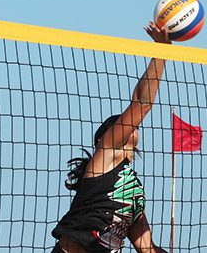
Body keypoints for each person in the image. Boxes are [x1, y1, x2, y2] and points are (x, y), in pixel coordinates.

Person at [51, 21, 171, 253]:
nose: (126, 125)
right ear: (102, 138)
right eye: (118, 124)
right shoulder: (105, 156)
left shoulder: (134, 196)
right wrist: (162, 51)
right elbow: (141, 104)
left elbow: (148, 249)